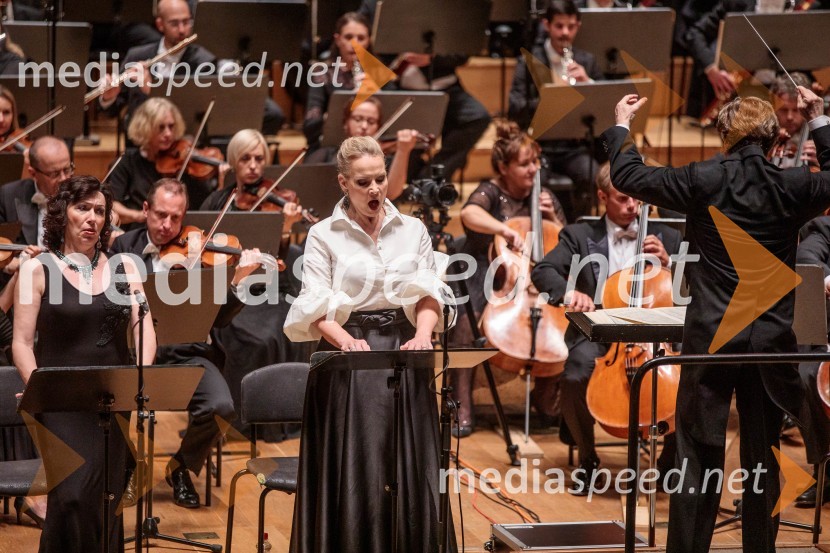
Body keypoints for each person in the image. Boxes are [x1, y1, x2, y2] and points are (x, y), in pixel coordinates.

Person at [601, 88, 830, 553]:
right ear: (773, 138)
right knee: (764, 459)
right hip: (770, 343)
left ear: (726, 135)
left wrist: (622, 124)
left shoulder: (703, 177)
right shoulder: (792, 185)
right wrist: (821, 121)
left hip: (712, 340)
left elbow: (628, 175)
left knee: (696, 454)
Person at [284, 135, 455, 552]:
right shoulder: (324, 234)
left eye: (380, 179)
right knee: (359, 462)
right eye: (364, 182)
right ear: (343, 183)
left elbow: (428, 292)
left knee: (408, 462)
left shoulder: (413, 229)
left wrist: (421, 335)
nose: (375, 189)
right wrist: (347, 341)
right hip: (348, 353)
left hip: (403, 347)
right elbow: (316, 304)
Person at [12, 175, 157, 553]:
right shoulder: (38, 269)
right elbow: (22, 343)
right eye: (83, 208)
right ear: (63, 213)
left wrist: (141, 376)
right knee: (74, 495)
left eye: (99, 211)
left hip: (112, 398)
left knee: (105, 498)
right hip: (59, 402)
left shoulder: (124, 266)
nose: (92, 218)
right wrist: (38, 388)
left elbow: (144, 324)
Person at [110, 177, 267, 508]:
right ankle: (125, 469)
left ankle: (180, 467)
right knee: (109, 404)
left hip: (188, 353)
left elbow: (219, 319)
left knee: (222, 409)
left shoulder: (201, 252)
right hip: (134, 353)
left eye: (176, 217)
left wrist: (236, 280)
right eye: (160, 215)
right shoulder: (123, 246)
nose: (167, 225)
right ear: (145, 209)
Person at [530, 161, 682, 492]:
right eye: (623, 199)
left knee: (688, 378)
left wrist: (671, 263)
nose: (633, 206)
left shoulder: (669, 235)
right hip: (601, 331)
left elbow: (694, 290)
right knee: (574, 373)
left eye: (638, 199)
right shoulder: (579, 235)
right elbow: (543, 270)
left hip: (656, 333)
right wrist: (570, 292)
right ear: (602, 197)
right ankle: (587, 458)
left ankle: (669, 463)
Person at [451, 121, 566, 437]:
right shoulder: (491, 191)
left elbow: (567, 240)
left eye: (535, 162)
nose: (533, 169)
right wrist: (503, 230)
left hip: (531, 275)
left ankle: (545, 397)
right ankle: (461, 403)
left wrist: (553, 218)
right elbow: (469, 215)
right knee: (466, 321)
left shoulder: (545, 196)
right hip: (485, 269)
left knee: (565, 319)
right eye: (524, 163)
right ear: (504, 167)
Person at [201, 129, 310, 433]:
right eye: (245, 158)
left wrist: (285, 229)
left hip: (271, 291)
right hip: (234, 294)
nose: (252, 165)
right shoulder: (217, 201)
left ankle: (278, 419)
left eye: (258, 158)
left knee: (277, 334)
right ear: (234, 162)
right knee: (247, 338)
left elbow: (283, 260)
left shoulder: (278, 202)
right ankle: (240, 423)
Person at [100, 0, 284, 135]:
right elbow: (111, 111)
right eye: (174, 23)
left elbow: (189, 116)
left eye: (186, 22)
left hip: (182, 146)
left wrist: (152, 89)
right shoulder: (137, 55)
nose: (182, 30)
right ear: (159, 25)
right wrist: (109, 97)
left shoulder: (204, 62)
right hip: (141, 147)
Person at [358, 0, 492, 182]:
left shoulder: (445, 6)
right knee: (407, 155)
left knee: (478, 117)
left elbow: (463, 51)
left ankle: (432, 178)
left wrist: (433, 56)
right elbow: (362, 44)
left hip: (447, 89)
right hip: (402, 92)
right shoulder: (375, 4)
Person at [509, 0, 604, 219]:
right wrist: (553, 98)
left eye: (571, 26)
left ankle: (577, 229)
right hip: (539, 145)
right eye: (559, 26)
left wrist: (588, 83)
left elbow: (604, 106)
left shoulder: (587, 62)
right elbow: (514, 106)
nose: (565, 33)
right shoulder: (529, 61)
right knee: (533, 179)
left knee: (592, 175)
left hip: (574, 147)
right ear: (546, 25)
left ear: (578, 26)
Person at [107, 97, 214, 225]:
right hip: (140, 231)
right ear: (145, 128)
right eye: (161, 127)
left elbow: (205, 202)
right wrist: (138, 216)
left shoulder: (182, 162)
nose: (168, 133)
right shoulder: (127, 162)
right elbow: (113, 204)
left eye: (171, 126)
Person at [307, 96, 419, 201]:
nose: (364, 126)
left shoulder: (384, 161)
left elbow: (390, 194)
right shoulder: (325, 155)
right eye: (358, 119)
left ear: (378, 127)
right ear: (346, 123)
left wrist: (403, 151)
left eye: (371, 122)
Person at [790, 215, 830, 507]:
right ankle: (826, 468)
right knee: (807, 373)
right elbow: (806, 255)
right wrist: (827, 279)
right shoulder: (823, 228)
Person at [0, 136, 73, 248]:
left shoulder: (80, 194)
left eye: (67, 170)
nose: (64, 178)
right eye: (55, 174)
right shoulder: (8, 195)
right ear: (33, 173)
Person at [770, 73, 819, 168]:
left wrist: (824, 162)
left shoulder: (821, 140)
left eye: (796, 110)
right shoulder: (765, 140)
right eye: (784, 110)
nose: (790, 117)